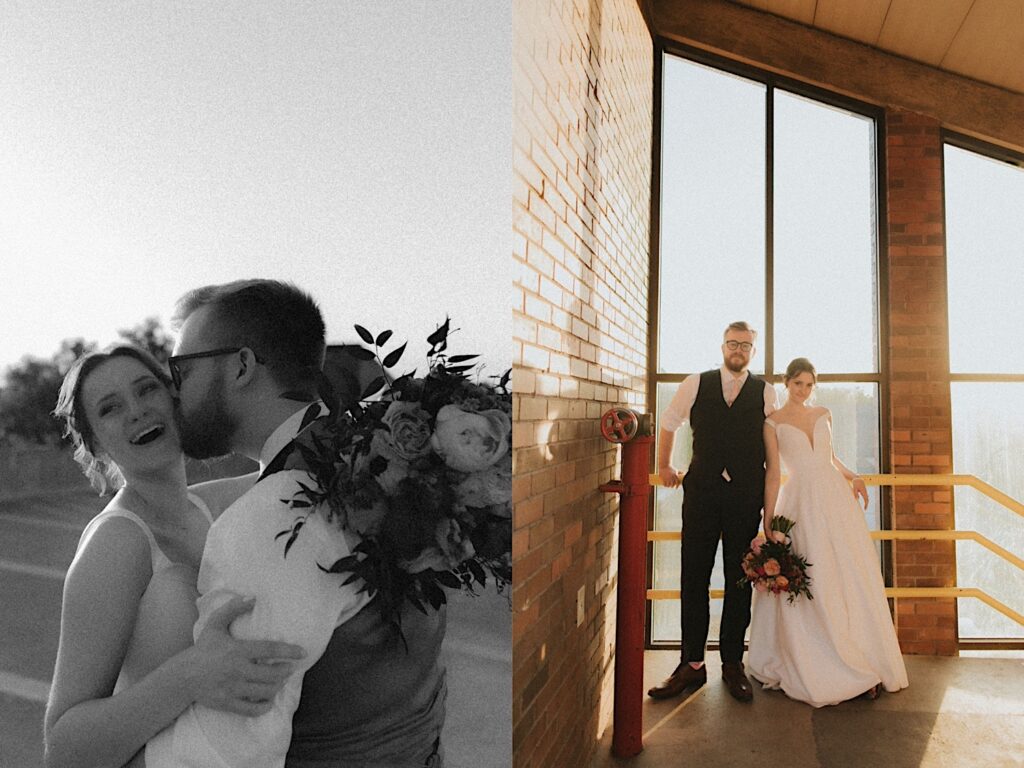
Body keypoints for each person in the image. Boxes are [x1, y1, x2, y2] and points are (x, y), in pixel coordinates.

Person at [162, 279, 448, 767]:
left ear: (241, 366)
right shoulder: (395, 461)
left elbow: (226, 754)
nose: (174, 390)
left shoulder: (274, 519)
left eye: (181, 368)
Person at [44, 344, 307, 768]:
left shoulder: (213, 507)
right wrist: (191, 676)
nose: (136, 411)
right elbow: (62, 750)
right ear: (96, 445)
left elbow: (296, 464)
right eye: (110, 408)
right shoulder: (117, 542)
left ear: (174, 398)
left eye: (147, 390)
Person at [747, 357, 908, 706]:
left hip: (835, 499)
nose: (803, 390)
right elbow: (774, 473)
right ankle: (823, 660)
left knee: (846, 575)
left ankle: (858, 654)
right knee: (814, 578)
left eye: (808, 385)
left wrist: (854, 477)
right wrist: (769, 518)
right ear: (786, 383)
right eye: (797, 384)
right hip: (801, 501)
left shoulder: (824, 414)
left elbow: (831, 458)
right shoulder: (772, 423)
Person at [648, 321, 778, 703]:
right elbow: (669, 423)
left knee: (739, 580)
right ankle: (691, 666)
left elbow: (778, 443)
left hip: (745, 495)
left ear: (754, 351)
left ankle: (732, 664)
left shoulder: (767, 392)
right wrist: (664, 466)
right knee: (693, 577)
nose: (738, 350)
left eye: (746, 345)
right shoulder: (696, 383)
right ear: (722, 346)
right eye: (732, 343)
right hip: (702, 493)